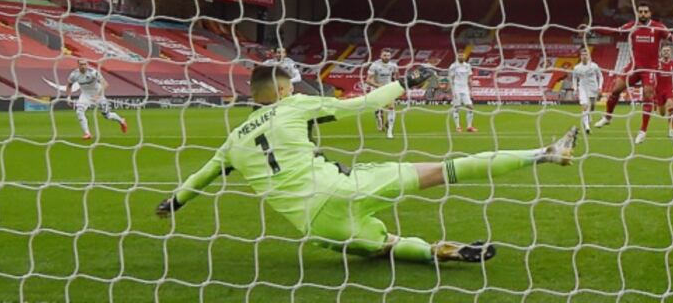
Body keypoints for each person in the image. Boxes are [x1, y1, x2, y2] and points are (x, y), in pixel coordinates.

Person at [157, 65, 578, 261]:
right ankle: (543, 153)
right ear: (283, 89)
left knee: (385, 247)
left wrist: (173, 203)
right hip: (344, 186)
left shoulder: (232, 141)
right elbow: (365, 103)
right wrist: (405, 82)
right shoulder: (296, 104)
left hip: (316, 227)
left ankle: (435, 251)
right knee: (447, 169)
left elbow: (200, 178)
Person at [584, 2, 673, 130]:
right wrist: (592, 27)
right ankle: (607, 117)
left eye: (645, 11)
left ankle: (643, 130)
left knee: (647, 96)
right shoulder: (632, 26)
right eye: (640, 11)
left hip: (649, 69)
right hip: (634, 67)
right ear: (637, 13)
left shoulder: (658, 27)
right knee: (615, 90)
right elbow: (612, 31)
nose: (643, 14)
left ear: (650, 13)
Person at [64, 59, 129, 140]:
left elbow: (105, 84)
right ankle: (87, 133)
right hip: (85, 95)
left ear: (87, 64)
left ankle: (122, 121)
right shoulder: (74, 74)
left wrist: (98, 95)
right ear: (78, 65)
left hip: (98, 94)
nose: (83, 66)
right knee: (79, 111)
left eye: (85, 64)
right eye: (81, 64)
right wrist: (68, 97)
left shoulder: (93, 72)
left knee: (107, 115)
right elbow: (69, 85)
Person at [637, 44, 673, 143]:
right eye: (664, 51)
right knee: (662, 113)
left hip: (669, 89)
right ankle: (661, 109)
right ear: (661, 52)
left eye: (668, 51)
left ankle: (671, 130)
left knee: (671, 108)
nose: (666, 52)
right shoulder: (656, 64)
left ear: (671, 53)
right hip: (658, 91)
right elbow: (650, 75)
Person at [366, 48, 399, 139]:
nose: (386, 57)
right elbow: (368, 80)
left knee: (391, 107)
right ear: (380, 55)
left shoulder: (393, 65)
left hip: (388, 89)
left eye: (388, 55)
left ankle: (389, 132)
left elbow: (396, 76)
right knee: (379, 109)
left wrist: (396, 85)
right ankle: (378, 116)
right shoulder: (375, 65)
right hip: (377, 89)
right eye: (384, 55)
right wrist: (377, 85)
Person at [570, 47, 604, 133]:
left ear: (589, 56)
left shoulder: (594, 66)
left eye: (586, 55)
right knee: (585, 106)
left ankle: (588, 116)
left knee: (592, 107)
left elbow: (600, 76)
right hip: (582, 89)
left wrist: (600, 87)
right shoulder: (577, 68)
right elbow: (574, 78)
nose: (584, 56)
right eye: (582, 55)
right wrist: (575, 89)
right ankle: (587, 127)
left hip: (593, 88)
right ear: (580, 56)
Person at [447, 52, 476, 133]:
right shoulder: (453, 66)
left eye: (462, 55)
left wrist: (471, 89)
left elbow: (469, 78)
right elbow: (451, 78)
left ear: (465, 56)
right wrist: (451, 90)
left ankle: (469, 127)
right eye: (459, 55)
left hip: (465, 89)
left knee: (470, 107)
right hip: (456, 88)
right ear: (457, 57)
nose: (461, 56)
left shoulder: (467, 65)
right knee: (457, 107)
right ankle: (458, 127)